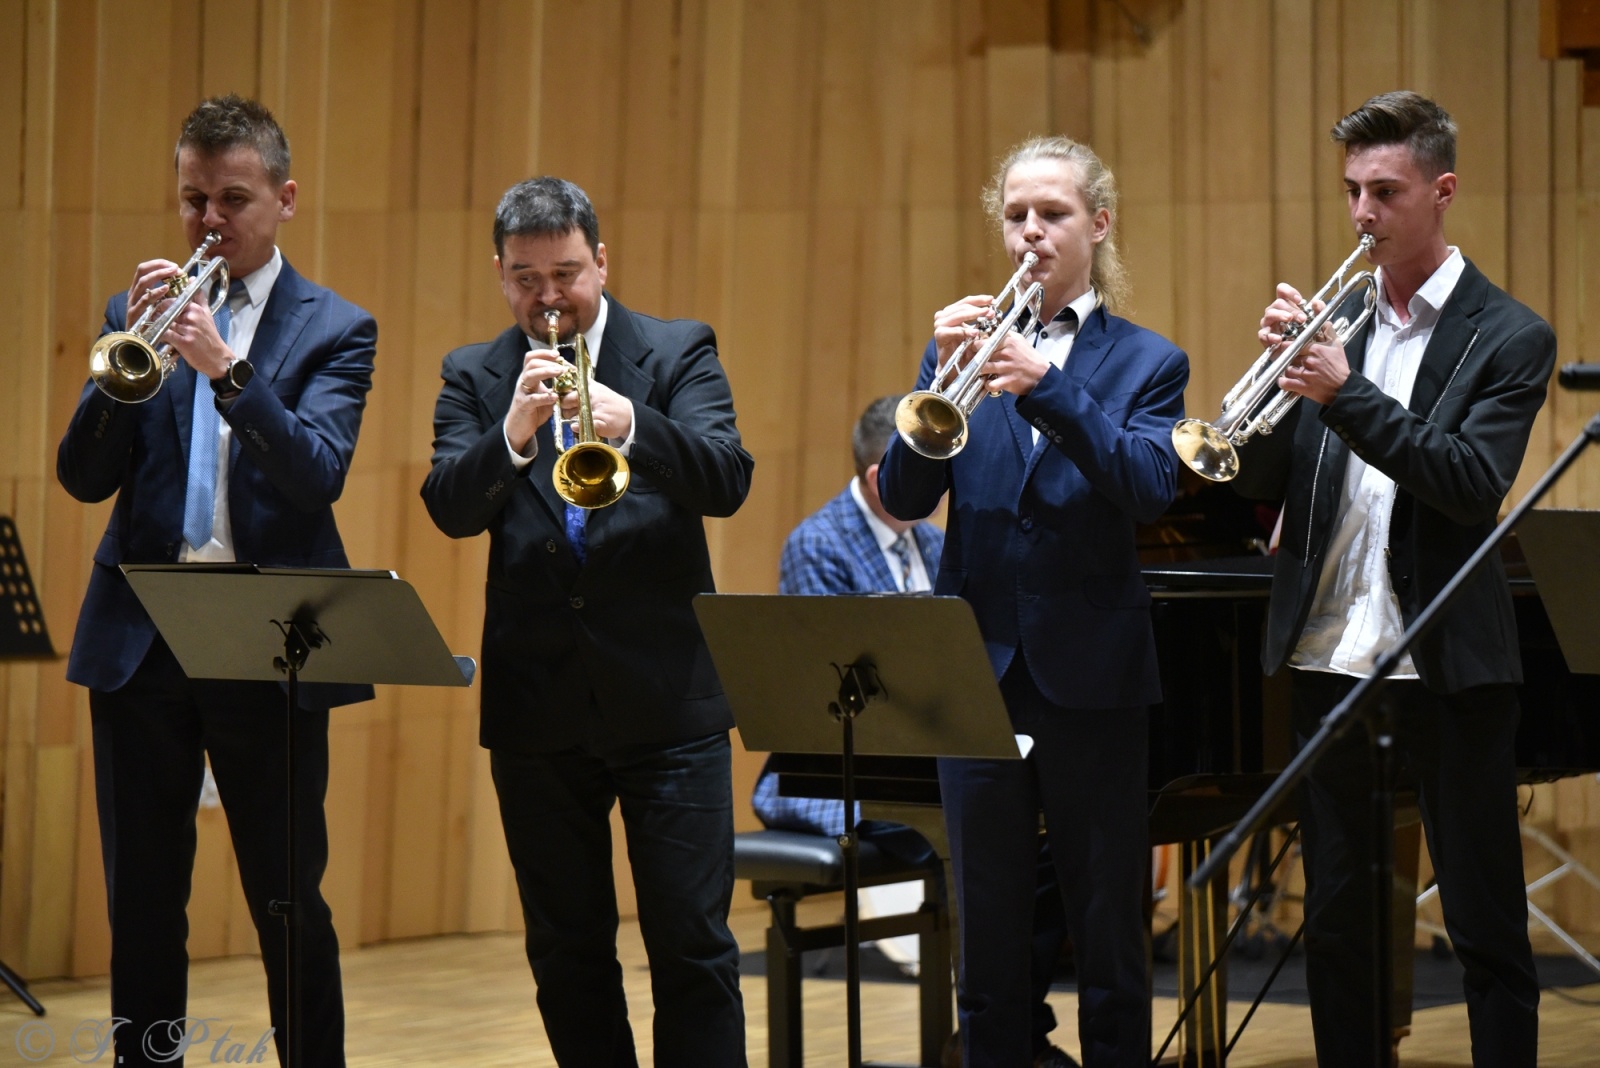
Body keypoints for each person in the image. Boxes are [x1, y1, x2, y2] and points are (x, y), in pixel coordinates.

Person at [56, 95, 375, 1066]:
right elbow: (81, 477)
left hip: (266, 639)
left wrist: (228, 370)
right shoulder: (136, 314)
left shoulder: (336, 327)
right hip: (142, 635)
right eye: (193, 199)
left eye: (232, 199)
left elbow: (316, 472)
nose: (208, 222)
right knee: (144, 901)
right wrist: (127, 369)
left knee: (286, 898)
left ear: (283, 199)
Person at [1235, 91, 1551, 1067]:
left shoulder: (1508, 336)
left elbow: (1466, 484)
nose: (1361, 214)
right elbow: (1252, 483)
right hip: (1334, 662)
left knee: (1485, 927)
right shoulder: (1340, 327)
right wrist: (1271, 387)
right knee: (1335, 925)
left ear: (1440, 191)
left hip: (1447, 669)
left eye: (1384, 191)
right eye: (1349, 192)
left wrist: (1342, 389)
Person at [419, 177, 753, 1066]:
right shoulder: (475, 374)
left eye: (566, 273)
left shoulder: (678, 352)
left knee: (692, 946)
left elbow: (727, 477)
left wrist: (633, 422)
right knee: (567, 954)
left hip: (668, 707)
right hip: (539, 708)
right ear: (500, 274)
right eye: (526, 279)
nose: (549, 298)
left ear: (601, 261)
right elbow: (450, 508)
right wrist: (514, 434)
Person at [879, 136, 1190, 1068]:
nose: (1029, 232)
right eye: (1015, 215)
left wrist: (1050, 387)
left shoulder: (1148, 360)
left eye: (1051, 214)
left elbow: (1148, 485)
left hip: (1092, 676)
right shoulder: (963, 354)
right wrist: (938, 376)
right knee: (989, 937)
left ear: (1097, 225)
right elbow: (901, 497)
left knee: (1108, 936)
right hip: (976, 677)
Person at [752, 394, 1078, 1067]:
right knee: (985, 843)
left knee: (1039, 847)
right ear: (880, 479)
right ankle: (993, 1034)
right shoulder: (818, 542)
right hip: (838, 773)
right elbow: (832, 701)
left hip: (925, 758)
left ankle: (1008, 1032)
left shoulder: (932, 539)